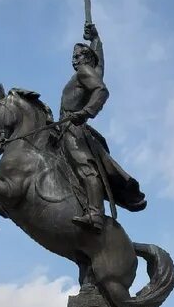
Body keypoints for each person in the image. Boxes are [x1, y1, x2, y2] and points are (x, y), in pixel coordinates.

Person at [59, 21, 146, 230]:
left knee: (85, 168)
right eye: (73, 56)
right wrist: (95, 39)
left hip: (73, 128)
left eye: (78, 56)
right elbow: (99, 68)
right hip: (63, 128)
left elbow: (101, 90)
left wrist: (86, 112)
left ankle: (95, 215)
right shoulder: (88, 71)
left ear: (87, 59)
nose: (74, 60)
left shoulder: (84, 72)